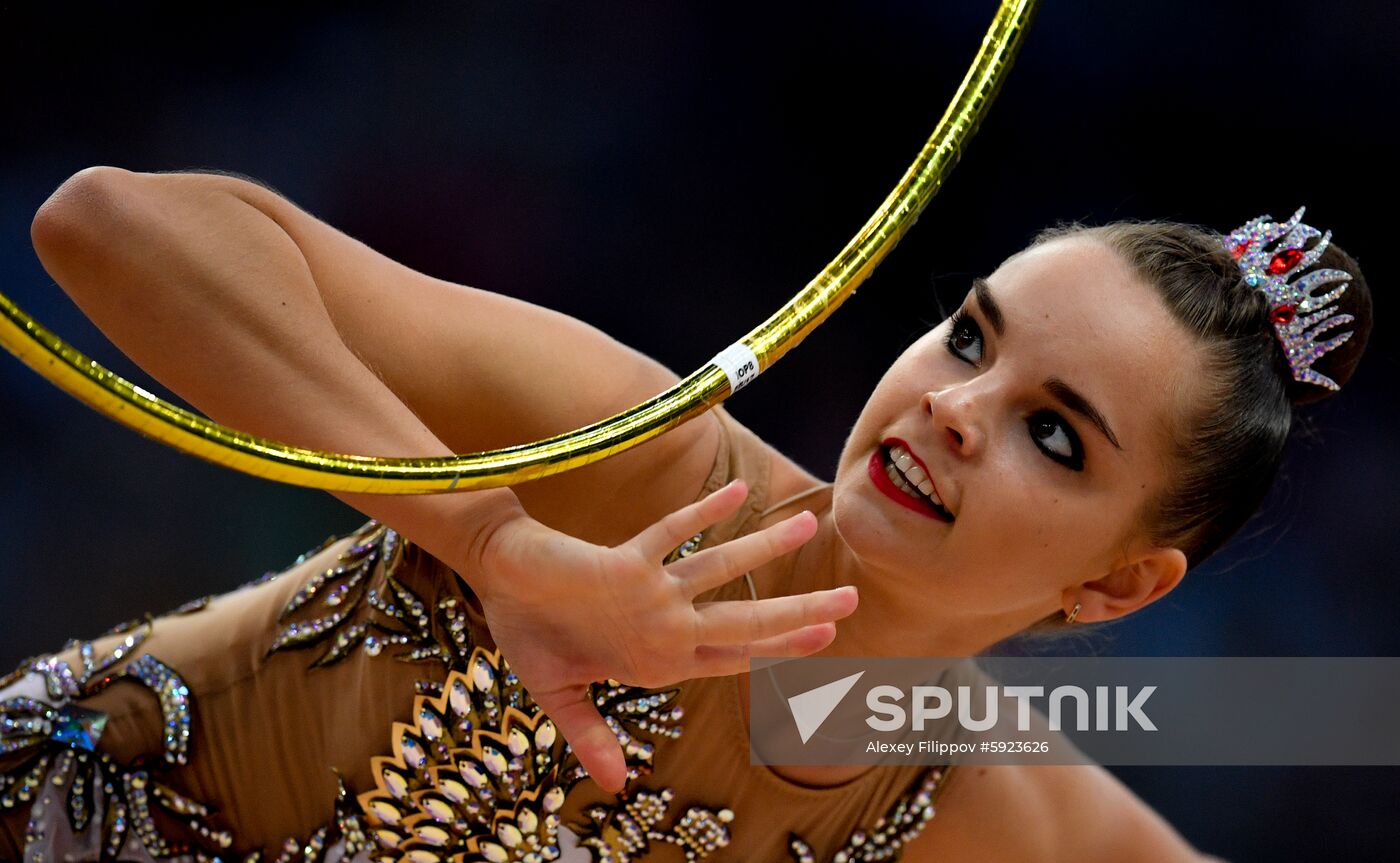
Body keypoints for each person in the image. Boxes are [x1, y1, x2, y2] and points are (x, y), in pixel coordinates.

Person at [0, 166, 1370, 862]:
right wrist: (495, 542)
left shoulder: (985, 800)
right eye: (968, 339)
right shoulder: (647, 459)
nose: (958, 407)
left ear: (1120, 586)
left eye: (1054, 433)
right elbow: (108, 225)